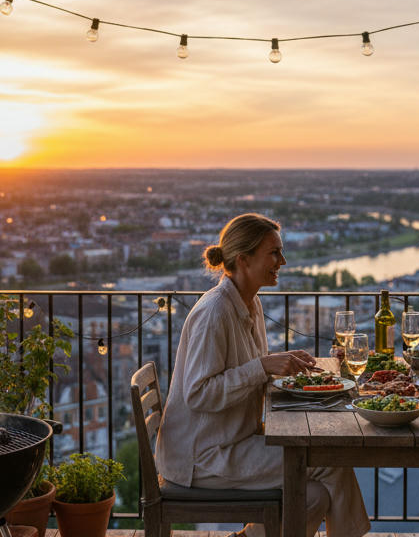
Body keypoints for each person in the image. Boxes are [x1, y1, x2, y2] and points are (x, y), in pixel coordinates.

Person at [155, 213, 369, 537]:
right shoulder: (214, 312)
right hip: (203, 457)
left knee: (315, 496)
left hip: (232, 442)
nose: (282, 261)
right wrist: (264, 366)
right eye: (274, 253)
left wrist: (279, 363)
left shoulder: (248, 302)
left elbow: (253, 369)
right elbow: (198, 393)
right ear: (244, 259)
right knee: (331, 460)